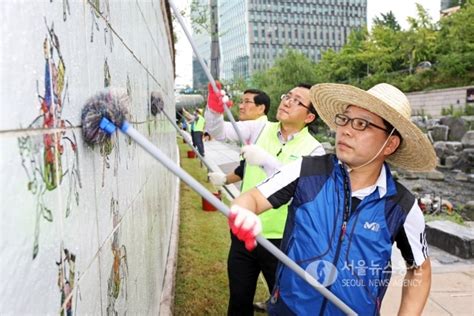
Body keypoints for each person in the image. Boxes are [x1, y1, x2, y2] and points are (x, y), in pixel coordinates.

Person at [228, 83, 436, 315]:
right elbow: (251, 199)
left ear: (390, 144)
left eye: (361, 124)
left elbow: (420, 268)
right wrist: (244, 213)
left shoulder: (401, 206)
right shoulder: (307, 171)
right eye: (344, 120)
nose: (345, 130)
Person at [205, 83, 325, 315]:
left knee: (284, 305)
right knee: (239, 300)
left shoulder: (315, 151)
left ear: (309, 116)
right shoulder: (260, 127)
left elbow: (299, 193)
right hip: (244, 232)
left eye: (297, 100)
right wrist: (214, 110)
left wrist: (267, 161)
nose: (287, 101)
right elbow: (219, 131)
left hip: (281, 240)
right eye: (287, 95)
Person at [208, 88, 271, 188]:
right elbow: (244, 168)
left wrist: (214, 113)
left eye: (247, 102)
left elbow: (220, 132)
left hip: (261, 199)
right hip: (253, 198)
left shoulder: (256, 127)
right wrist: (225, 179)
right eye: (241, 102)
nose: (241, 106)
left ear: (261, 108)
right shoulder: (259, 130)